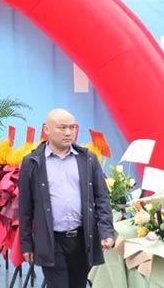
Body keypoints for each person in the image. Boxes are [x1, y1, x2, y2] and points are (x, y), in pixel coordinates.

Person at [19, 108, 115, 288]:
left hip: (82, 239)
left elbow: (102, 197)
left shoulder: (88, 159)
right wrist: (26, 244)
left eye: (72, 127)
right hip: (51, 241)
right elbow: (25, 207)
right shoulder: (32, 162)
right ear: (46, 129)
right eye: (62, 127)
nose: (68, 133)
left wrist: (106, 231)